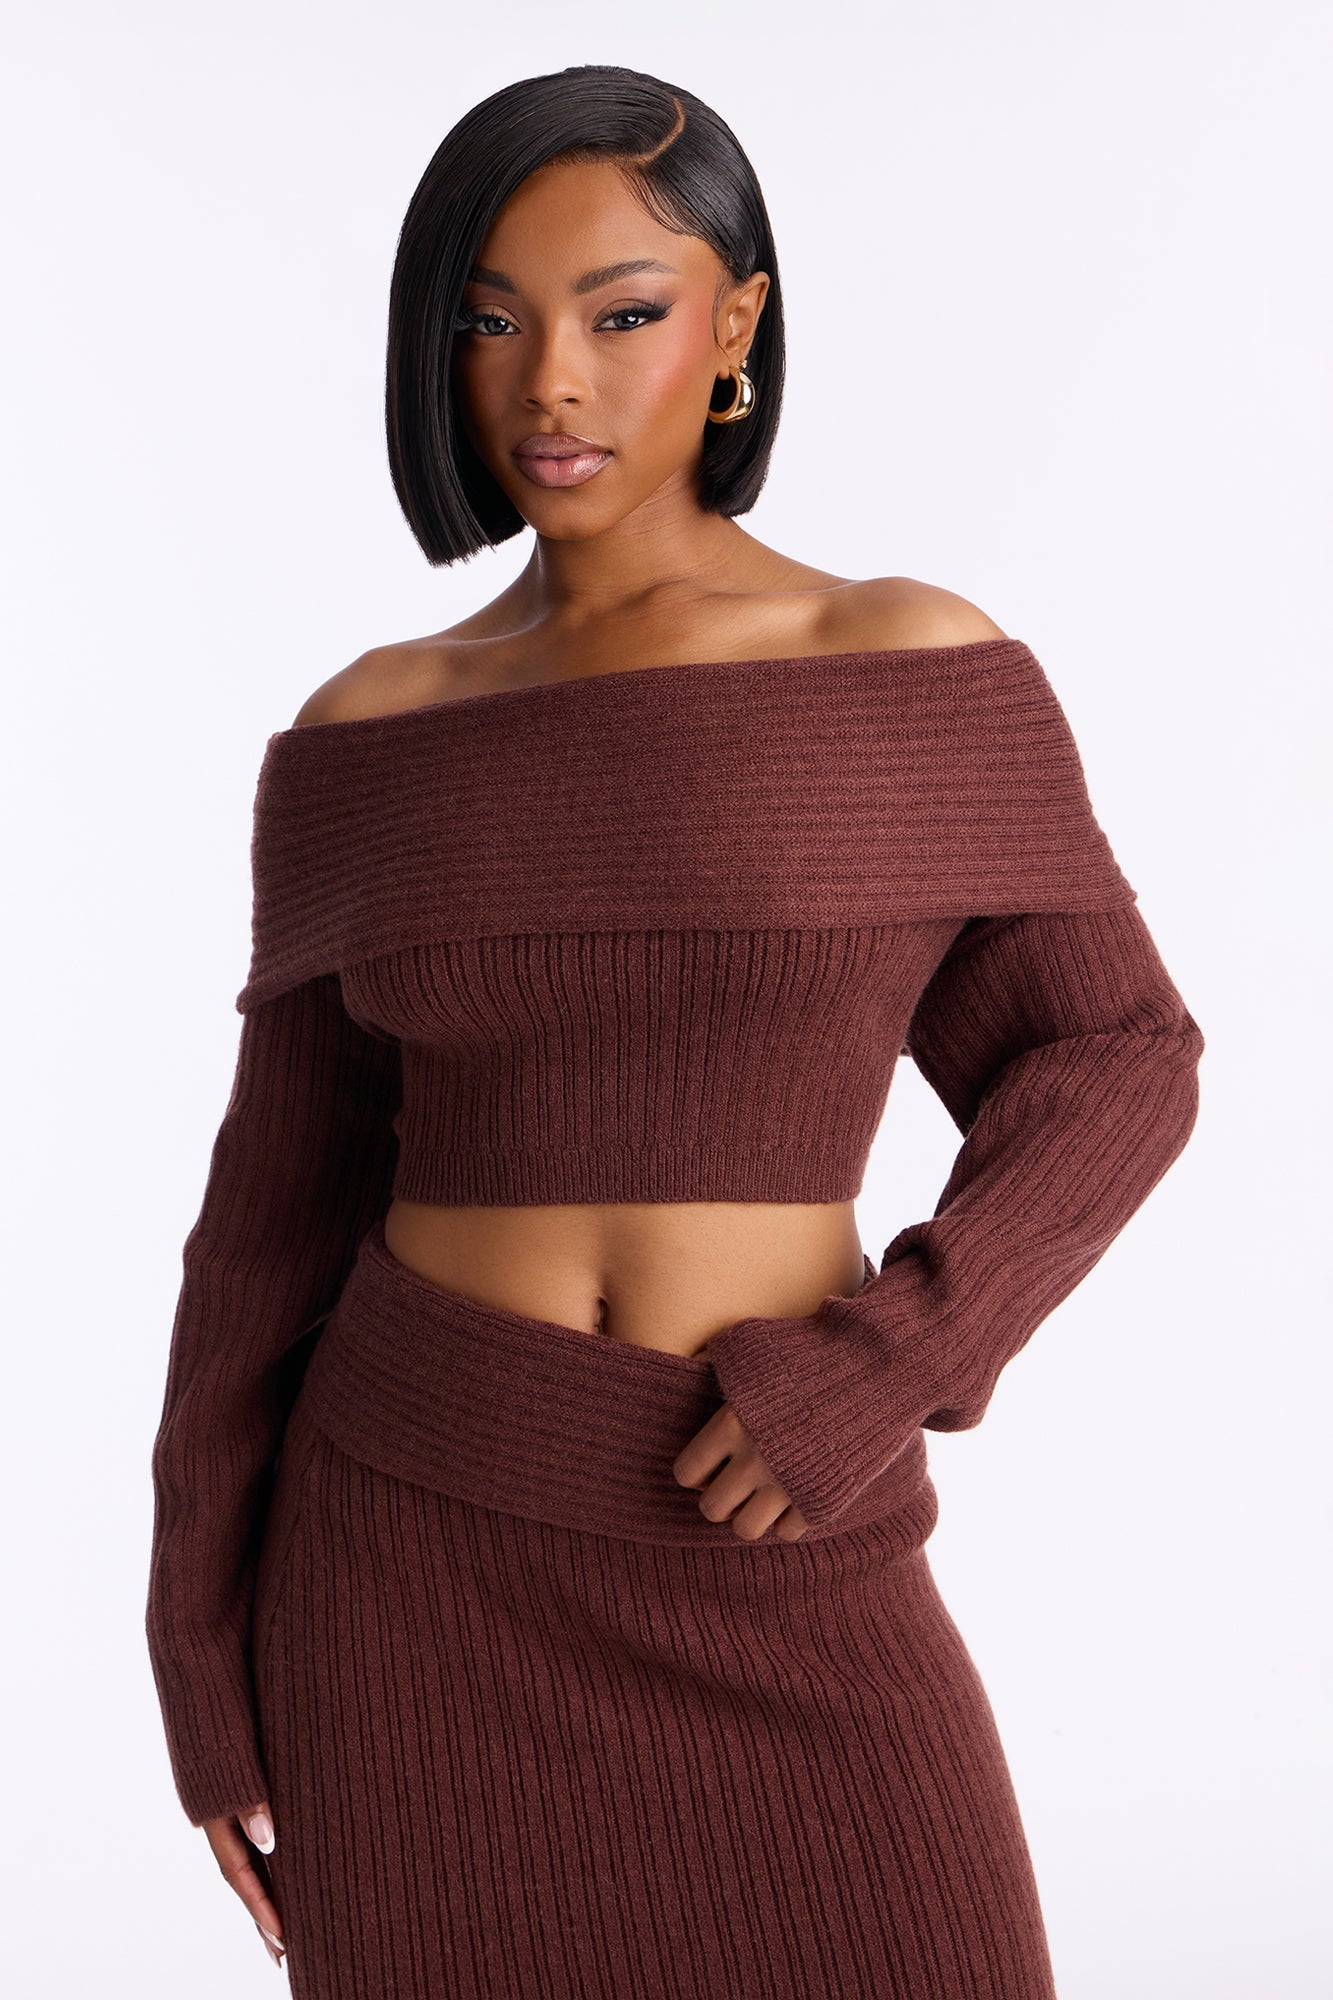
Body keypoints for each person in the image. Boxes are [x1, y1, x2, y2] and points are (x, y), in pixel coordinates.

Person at [144, 63, 1204, 1998]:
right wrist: (199, 1660)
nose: (550, 382)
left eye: (621, 312)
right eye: (491, 321)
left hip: (775, 1508)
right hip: (406, 1559)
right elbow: (267, 1230)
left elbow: (1113, 1054)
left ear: (736, 324)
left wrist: (894, 1357)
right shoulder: (368, 732)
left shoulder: (904, 666)